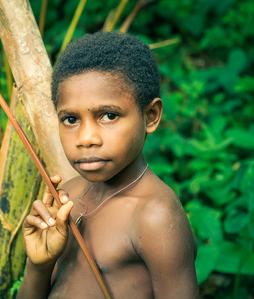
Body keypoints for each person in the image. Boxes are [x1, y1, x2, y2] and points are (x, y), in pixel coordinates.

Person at [16, 32, 198, 298]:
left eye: (109, 116)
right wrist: (39, 265)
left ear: (151, 116)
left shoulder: (155, 216)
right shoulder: (70, 195)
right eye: (70, 119)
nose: (86, 139)